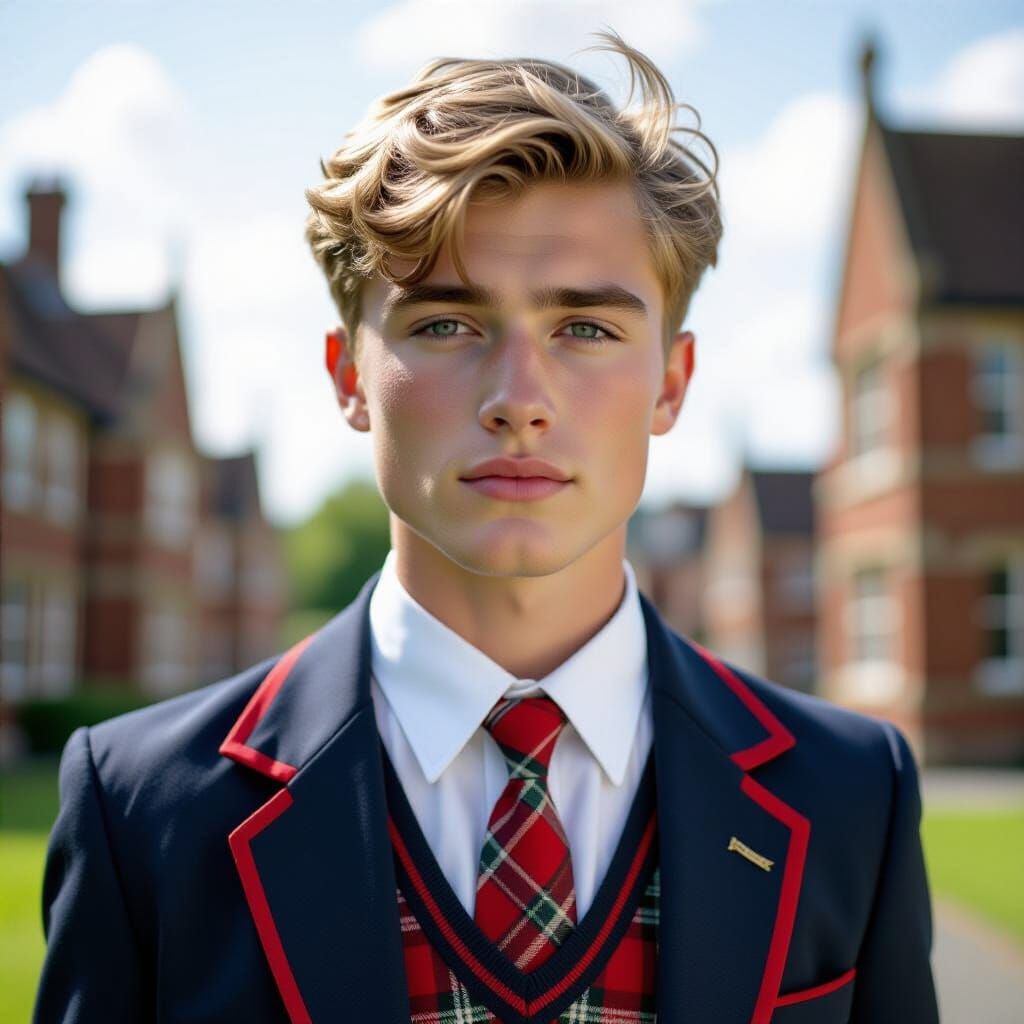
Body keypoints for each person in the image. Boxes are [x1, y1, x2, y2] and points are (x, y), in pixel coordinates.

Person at [33, 29, 939, 1024]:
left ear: (670, 384)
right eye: (445, 324)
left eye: (585, 328)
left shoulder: (853, 792)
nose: (519, 399)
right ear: (348, 377)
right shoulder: (140, 808)